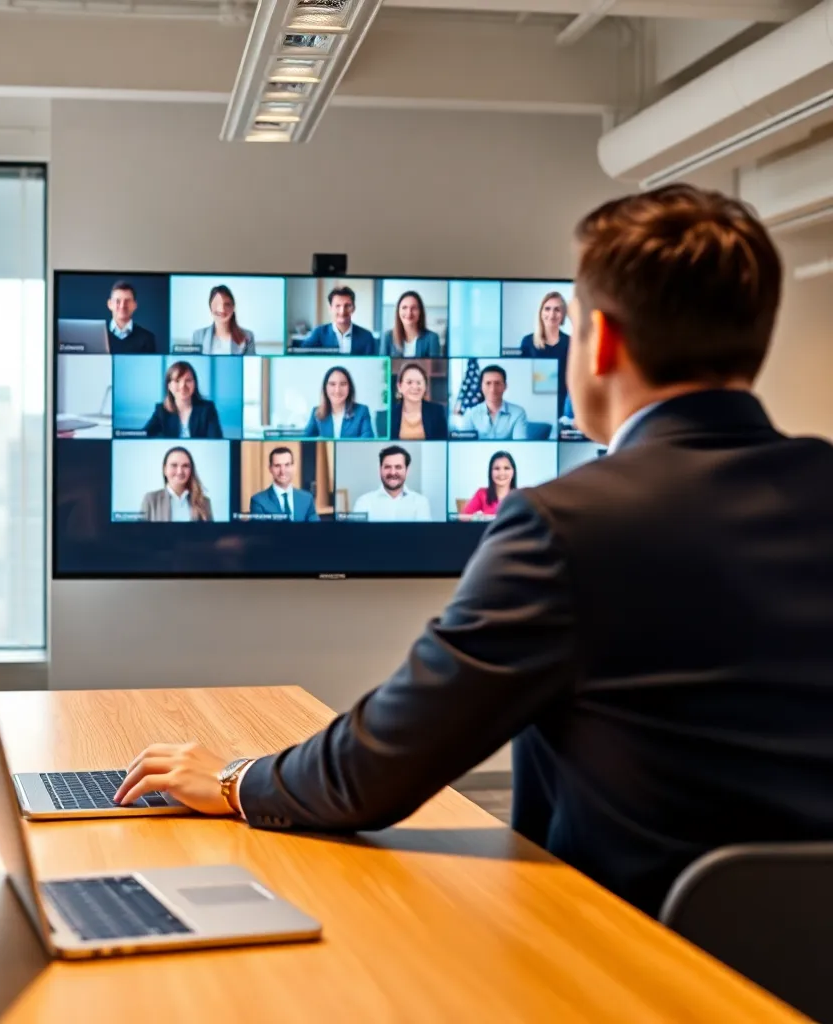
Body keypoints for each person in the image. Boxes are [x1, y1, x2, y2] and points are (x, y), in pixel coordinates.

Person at [114, 182, 833, 919]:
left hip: (630, 970)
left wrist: (235, 781)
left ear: (603, 342)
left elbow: (382, 765)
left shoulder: (566, 525)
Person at [520, 291, 570, 417]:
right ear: (540, 312)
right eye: (547, 309)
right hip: (534, 402)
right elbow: (522, 377)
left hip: (564, 404)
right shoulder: (527, 342)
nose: (552, 314)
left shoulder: (571, 342)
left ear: (563, 314)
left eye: (557, 309)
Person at [144, 361, 223, 440]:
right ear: (169, 386)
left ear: (195, 384)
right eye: (177, 381)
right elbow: (143, 434)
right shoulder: (161, 410)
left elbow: (217, 440)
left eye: (188, 380)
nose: (182, 386)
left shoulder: (207, 409)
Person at [351, 445, 431, 522]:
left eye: (398, 467)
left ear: (407, 470)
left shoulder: (420, 502)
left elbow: (423, 535)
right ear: (380, 469)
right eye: (387, 467)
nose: (392, 472)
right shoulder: (364, 502)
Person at [140, 446, 213, 522]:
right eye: (174, 465)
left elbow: (212, 533)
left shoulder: (204, 502)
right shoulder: (150, 500)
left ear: (191, 470)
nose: (180, 471)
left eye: (185, 466)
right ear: (164, 470)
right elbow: (140, 532)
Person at [298, 286, 377, 355]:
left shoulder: (367, 337)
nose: (342, 311)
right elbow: (302, 358)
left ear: (354, 308)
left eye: (347, 306)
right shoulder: (318, 333)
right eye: (337, 306)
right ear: (330, 308)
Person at [456, 365, 529, 440]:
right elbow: (466, 444)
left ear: (505, 386)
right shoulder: (470, 413)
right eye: (488, 383)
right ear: (481, 387)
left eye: (497, 383)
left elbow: (520, 442)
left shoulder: (518, 413)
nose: (492, 389)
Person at [302, 366, 375, 439]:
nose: (337, 390)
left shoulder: (362, 411)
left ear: (349, 388)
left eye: (343, 384)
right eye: (332, 384)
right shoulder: (316, 412)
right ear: (325, 388)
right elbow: (304, 439)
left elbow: (367, 439)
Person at [248, 447, 319, 522]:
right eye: (277, 466)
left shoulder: (307, 498)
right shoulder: (258, 501)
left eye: (287, 465)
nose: (282, 471)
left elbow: (316, 531)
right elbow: (260, 532)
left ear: (293, 467)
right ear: (270, 468)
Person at [188, 284, 256, 355]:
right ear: (210, 308)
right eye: (217, 304)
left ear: (233, 307)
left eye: (227, 304)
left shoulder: (248, 336)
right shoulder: (198, 336)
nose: (222, 309)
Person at [390, 363, 448, 440]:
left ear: (425, 387)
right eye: (409, 382)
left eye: (419, 382)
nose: (415, 387)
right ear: (399, 387)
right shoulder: (390, 414)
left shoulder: (437, 411)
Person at [105, 280, 162, 354]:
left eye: (127, 301)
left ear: (135, 305)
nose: (122, 306)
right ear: (110, 304)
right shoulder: (98, 336)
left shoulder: (147, 338)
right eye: (118, 301)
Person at [380, 291, 442, 357]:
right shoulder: (388, 337)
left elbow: (434, 366)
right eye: (404, 307)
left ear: (420, 312)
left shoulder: (432, 338)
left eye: (414, 308)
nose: (409, 313)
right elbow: (382, 365)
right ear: (398, 311)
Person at [460, 451, 516, 521]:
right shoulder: (482, 493)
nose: (501, 473)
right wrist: (477, 518)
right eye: (497, 468)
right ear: (490, 472)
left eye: (506, 468)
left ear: (513, 472)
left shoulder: (521, 496)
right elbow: (462, 517)